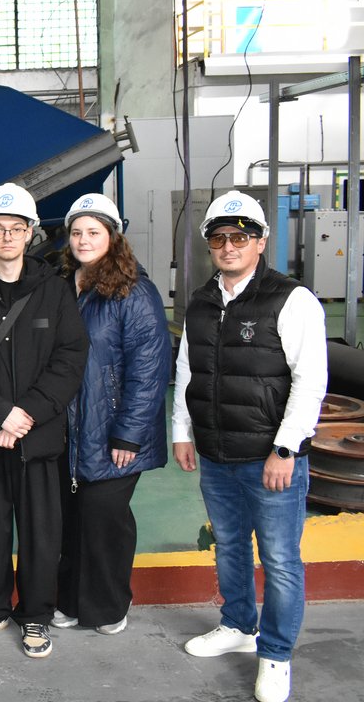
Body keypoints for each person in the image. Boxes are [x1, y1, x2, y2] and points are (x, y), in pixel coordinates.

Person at [172, 191, 326, 702]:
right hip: (216, 454)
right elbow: (188, 369)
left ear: (261, 242)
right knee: (231, 545)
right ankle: (239, 624)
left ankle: (276, 655)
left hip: (270, 459)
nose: (229, 246)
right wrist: (182, 430)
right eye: (219, 238)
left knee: (280, 560)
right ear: (209, 245)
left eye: (241, 237)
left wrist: (286, 449)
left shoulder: (291, 299)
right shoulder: (201, 301)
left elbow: (310, 380)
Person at [0, 183, 87, 660]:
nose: (7, 236)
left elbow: (70, 358)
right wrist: (0, 414)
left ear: (30, 234)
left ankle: (36, 616)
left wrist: (24, 415)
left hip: (37, 436)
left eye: (16, 228)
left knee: (41, 534)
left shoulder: (55, 291)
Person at [52, 193, 171, 636]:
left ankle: (108, 606)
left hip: (113, 431)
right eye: (76, 232)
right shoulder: (62, 284)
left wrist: (128, 434)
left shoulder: (133, 291)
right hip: (68, 428)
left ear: (113, 236)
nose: (83, 240)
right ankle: (69, 600)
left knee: (104, 519)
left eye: (93, 232)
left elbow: (150, 367)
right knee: (70, 519)